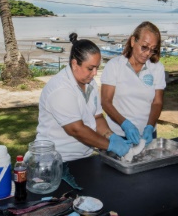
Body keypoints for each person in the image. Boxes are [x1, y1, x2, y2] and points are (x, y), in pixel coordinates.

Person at [36, 33, 131, 162]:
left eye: (97, 68)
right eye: (90, 68)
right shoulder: (61, 89)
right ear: (75, 64)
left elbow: (97, 117)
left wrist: (110, 136)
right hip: (55, 160)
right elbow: (76, 129)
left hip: (81, 158)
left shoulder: (90, 83)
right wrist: (110, 145)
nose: (95, 73)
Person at [101, 21, 167, 145]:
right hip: (119, 135)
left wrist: (150, 127)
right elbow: (106, 102)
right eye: (144, 47)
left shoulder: (157, 68)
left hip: (148, 134)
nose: (148, 53)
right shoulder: (115, 66)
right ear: (133, 41)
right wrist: (124, 124)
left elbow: (157, 102)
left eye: (153, 49)